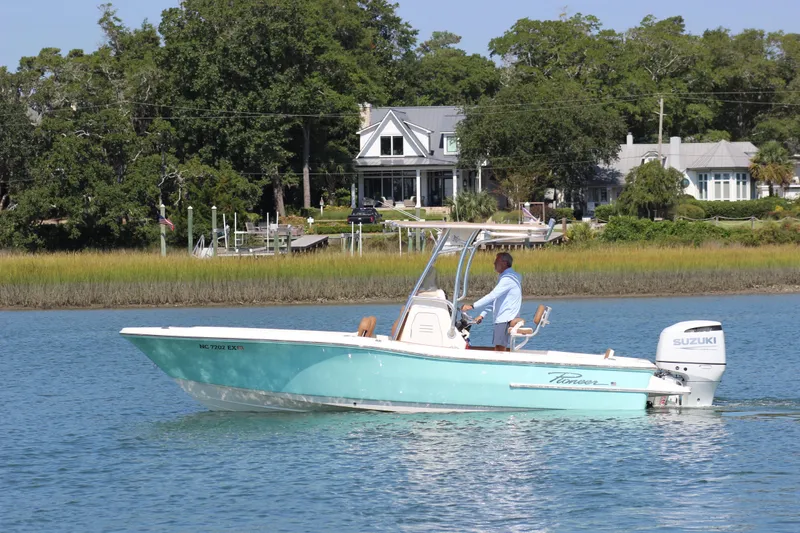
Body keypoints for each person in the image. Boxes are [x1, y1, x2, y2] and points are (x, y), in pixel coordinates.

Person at [461, 252, 522, 351]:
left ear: (504, 263)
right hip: (504, 316)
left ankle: (499, 364)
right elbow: (496, 299)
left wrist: (472, 306)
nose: (494, 263)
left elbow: (492, 296)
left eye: (496, 261)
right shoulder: (510, 276)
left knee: (499, 347)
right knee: (499, 346)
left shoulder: (508, 278)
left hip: (505, 317)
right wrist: (482, 315)